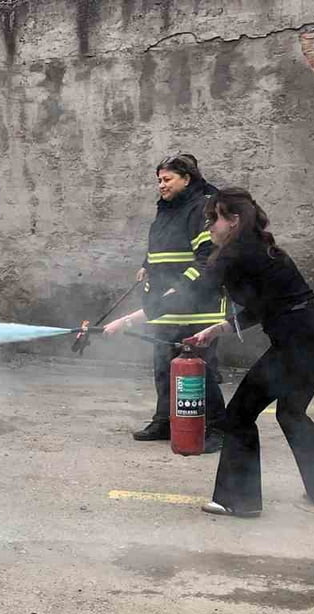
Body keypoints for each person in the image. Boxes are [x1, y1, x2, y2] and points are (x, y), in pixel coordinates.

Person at [120, 187, 314, 518]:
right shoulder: (255, 249)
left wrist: (129, 319)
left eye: (213, 219)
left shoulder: (235, 254)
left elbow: (191, 291)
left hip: (297, 344)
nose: (209, 227)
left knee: (239, 416)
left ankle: (237, 500)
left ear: (234, 221)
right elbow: (268, 304)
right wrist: (220, 327)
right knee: (291, 413)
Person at [108, 154, 228, 451]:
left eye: (167, 179)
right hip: (164, 304)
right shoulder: (166, 211)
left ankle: (216, 428)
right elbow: (161, 247)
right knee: (163, 364)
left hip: (198, 306)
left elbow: (207, 257)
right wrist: (146, 265)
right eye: (159, 180)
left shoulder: (202, 208)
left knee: (200, 368)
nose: (161, 185)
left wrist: (181, 287)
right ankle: (165, 420)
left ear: (187, 179)